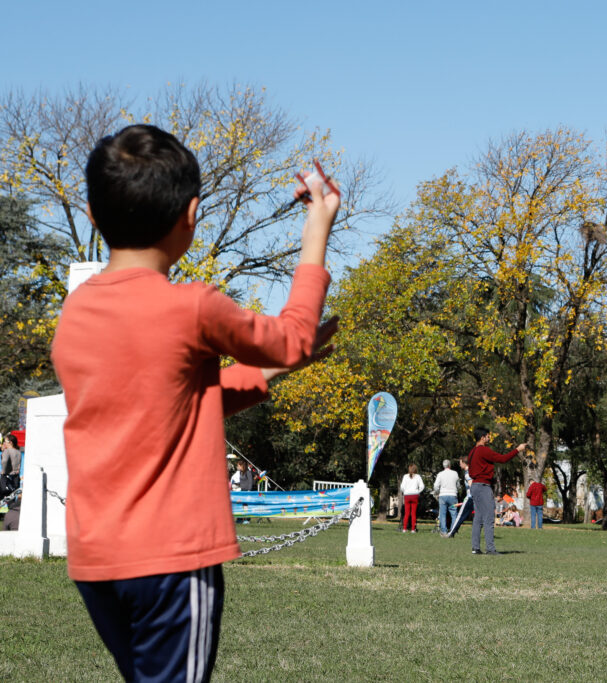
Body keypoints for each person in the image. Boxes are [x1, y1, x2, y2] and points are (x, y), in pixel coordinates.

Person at [50, 124, 339, 682]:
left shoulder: (76, 313)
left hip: (97, 561)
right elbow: (295, 334)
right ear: (192, 215)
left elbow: (170, 404)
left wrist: (272, 367)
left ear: (90, 213)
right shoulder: (194, 307)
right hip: (172, 561)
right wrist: (317, 226)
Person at [467, 427, 526, 555]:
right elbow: (503, 459)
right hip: (483, 486)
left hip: (475, 486)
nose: (489, 438)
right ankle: (490, 549)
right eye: (488, 436)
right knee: (489, 518)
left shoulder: (472, 452)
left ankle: (475, 548)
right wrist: (518, 449)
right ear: (482, 437)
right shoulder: (483, 450)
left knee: (478, 518)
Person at [444, 456, 474, 538]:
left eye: (460, 463)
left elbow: (472, 486)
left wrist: (469, 497)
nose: (459, 465)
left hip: (471, 498)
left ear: (465, 463)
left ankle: (451, 533)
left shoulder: (468, 473)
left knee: (460, 516)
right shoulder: (471, 471)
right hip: (474, 498)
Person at [433, 459, 460, 535]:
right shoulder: (455, 473)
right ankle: (453, 530)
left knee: (443, 514)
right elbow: (458, 485)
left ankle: (444, 531)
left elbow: (436, 486)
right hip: (453, 495)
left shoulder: (440, 474)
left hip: (443, 495)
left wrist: (437, 492)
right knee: (454, 514)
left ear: (443, 466)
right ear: (449, 465)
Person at [399, 464, 425, 533]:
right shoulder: (418, 476)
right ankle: (413, 529)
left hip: (407, 495)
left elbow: (402, 487)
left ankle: (404, 528)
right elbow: (422, 486)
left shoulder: (405, 476)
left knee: (407, 513)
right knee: (413, 513)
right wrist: (417, 492)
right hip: (414, 495)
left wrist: (404, 491)